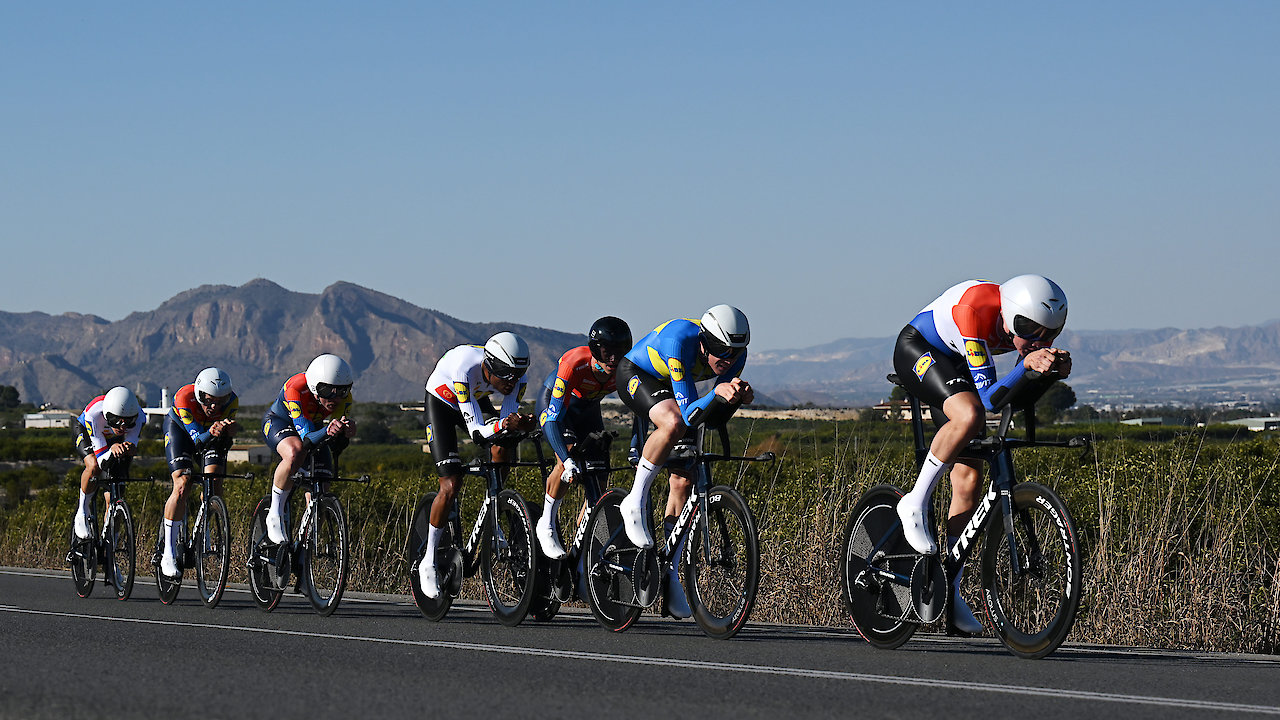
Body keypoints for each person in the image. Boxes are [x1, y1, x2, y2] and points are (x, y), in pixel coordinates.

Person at [892, 274, 1072, 634]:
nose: (1037, 340)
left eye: (1048, 334)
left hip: (956, 364)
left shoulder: (1022, 330)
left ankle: (950, 589)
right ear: (1008, 314)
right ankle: (914, 501)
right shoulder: (975, 309)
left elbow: (1011, 397)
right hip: (919, 350)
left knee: (970, 477)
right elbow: (989, 399)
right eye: (1028, 329)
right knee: (970, 414)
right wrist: (1027, 366)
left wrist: (1048, 374)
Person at [615, 304, 753, 618]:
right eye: (721, 351)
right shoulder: (680, 339)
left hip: (678, 394)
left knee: (683, 480)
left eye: (734, 353)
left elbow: (712, 417)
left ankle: (672, 572)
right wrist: (719, 391)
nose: (728, 360)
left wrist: (733, 399)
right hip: (636, 376)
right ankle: (634, 500)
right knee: (674, 421)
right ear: (704, 342)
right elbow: (689, 411)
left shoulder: (736, 356)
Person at [417, 332, 537, 599]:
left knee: (503, 445)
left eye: (518, 375)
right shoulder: (464, 366)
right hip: (443, 403)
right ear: (489, 366)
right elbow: (476, 432)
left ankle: (494, 509)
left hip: (475, 395)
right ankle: (428, 561)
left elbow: (503, 427)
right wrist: (503, 424)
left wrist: (518, 425)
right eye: (506, 375)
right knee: (451, 483)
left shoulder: (517, 378)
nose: (512, 382)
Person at [534, 316, 632, 559]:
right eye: (607, 352)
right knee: (566, 457)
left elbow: (638, 408)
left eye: (619, 352)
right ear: (594, 349)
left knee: (599, 476)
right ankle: (546, 523)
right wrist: (566, 460)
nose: (613, 359)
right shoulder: (574, 362)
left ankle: (583, 539)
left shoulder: (625, 367)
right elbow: (554, 417)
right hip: (558, 408)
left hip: (588, 410)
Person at [261, 354, 357, 545]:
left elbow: (336, 445)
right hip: (281, 423)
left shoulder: (345, 401)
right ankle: (274, 513)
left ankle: (305, 548)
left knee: (322, 484)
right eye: (327, 391)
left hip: (314, 428)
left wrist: (344, 434)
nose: (335, 398)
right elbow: (305, 440)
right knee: (295, 452)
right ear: (314, 386)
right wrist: (329, 430)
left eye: (342, 391)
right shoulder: (296, 387)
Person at [159, 368, 239, 578]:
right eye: (210, 401)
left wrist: (229, 433)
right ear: (199, 395)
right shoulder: (184, 397)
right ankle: (168, 551)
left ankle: (205, 526)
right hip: (182, 432)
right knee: (183, 483)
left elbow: (222, 442)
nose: (215, 407)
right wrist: (212, 431)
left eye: (221, 401)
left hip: (210, 435)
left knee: (214, 482)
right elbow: (197, 440)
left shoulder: (232, 403)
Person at [72, 387, 144, 548]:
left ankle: (110, 549)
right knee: (94, 466)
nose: (122, 426)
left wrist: (129, 448)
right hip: (89, 434)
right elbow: (102, 461)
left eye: (128, 422)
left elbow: (132, 447)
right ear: (106, 415)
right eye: (116, 420)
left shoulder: (140, 418)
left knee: (115, 495)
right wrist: (111, 450)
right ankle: (82, 512)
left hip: (114, 443)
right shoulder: (94, 413)